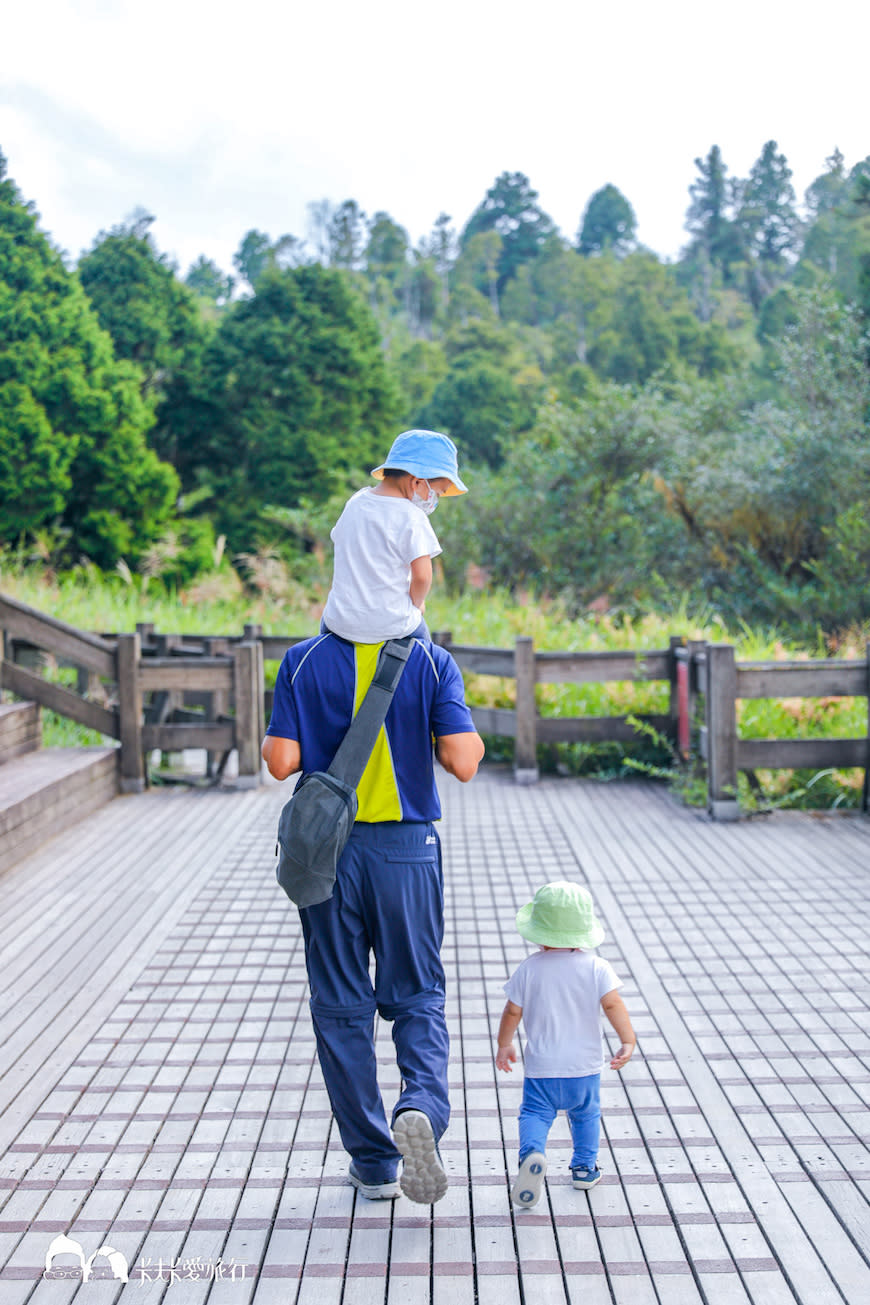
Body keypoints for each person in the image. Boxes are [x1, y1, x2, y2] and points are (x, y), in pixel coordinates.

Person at [262, 622, 484, 1204]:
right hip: (407, 851)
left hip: (328, 853)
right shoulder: (433, 663)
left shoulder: (302, 659)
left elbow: (280, 762)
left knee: (339, 1006)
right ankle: (421, 1109)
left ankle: (375, 1162)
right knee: (416, 994)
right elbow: (463, 761)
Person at [495, 881, 636, 1209]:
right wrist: (627, 1041)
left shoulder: (529, 969)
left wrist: (504, 1044)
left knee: (534, 1113)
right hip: (584, 1068)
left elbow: (512, 1010)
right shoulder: (597, 967)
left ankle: (532, 1154)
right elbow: (613, 1005)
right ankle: (584, 1169)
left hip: (543, 1067)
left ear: (540, 933)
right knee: (586, 1115)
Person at [320, 429, 468, 644]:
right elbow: (423, 576)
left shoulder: (355, 503)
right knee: (427, 653)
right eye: (437, 492)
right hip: (391, 624)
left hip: (339, 621)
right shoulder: (412, 516)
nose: (434, 500)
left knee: (323, 635)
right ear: (416, 482)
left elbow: (340, 541)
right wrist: (416, 604)